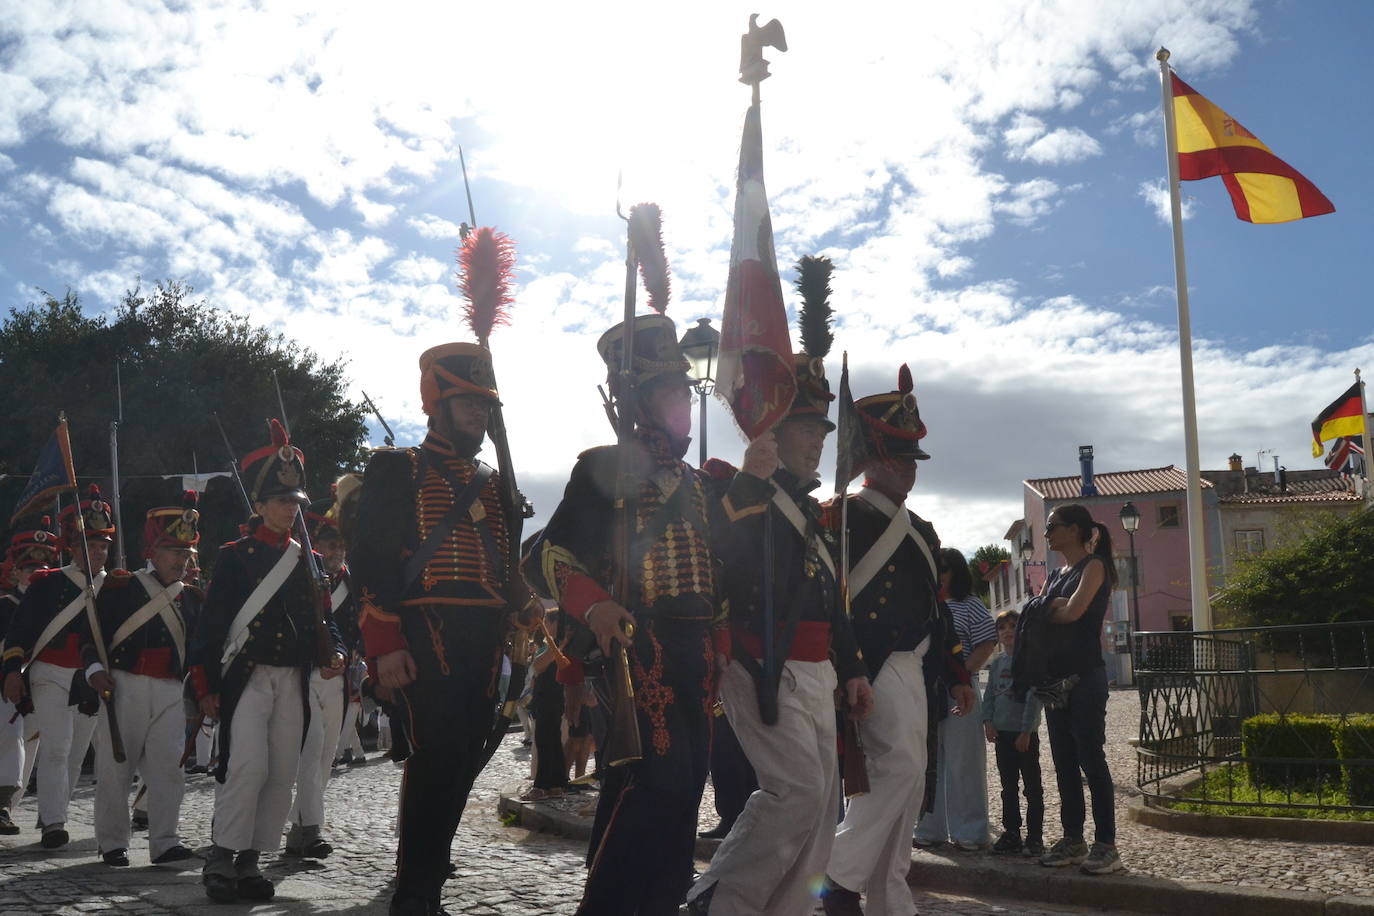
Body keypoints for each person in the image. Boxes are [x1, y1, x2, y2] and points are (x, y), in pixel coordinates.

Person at [524, 314, 723, 915]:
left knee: (684, 787)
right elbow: (547, 556)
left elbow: (721, 578)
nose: (684, 405)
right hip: (640, 647)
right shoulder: (603, 469)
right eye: (671, 393)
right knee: (655, 780)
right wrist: (597, 605)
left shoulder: (703, 484)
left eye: (686, 392)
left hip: (699, 657)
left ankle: (661, 900)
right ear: (638, 399)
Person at [687, 326, 875, 916]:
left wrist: (853, 667)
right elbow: (712, 556)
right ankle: (718, 899)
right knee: (795, 792)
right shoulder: (731, 486)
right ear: (773, 429)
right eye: (806, 428)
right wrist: (750, 478)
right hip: (760, 658)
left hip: (816, 669)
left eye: (821, 431)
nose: (818, 441)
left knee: (821, 808)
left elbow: (831, 599)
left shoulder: (812, 514)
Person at [350, 341, 539, 916]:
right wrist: (384, 644)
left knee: (463, 761)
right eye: (468, 403)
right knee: (434, 759)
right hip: (424, 630)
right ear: (437, 403)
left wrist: (523, 605)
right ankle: (414, 894)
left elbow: (503, 567)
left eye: (485, 406)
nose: (479, 415)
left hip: (484, 638)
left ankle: (428, 882)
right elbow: (370, 558)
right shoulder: (398, 466)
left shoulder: (494, 482)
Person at [821, 366, 975, 916]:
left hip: (919, 666)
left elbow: (938, 612)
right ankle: (838, 879)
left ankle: (889, 898)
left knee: (908, 787)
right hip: (871, 662)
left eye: (912, 459)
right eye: (898, 457)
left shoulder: (923, 531)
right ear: (872, 458)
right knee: (902, 768)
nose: (909, 469)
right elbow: (828, 599)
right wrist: (847, 667)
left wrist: (957, 674)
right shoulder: (840, 518)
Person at [188, 420, 346, 903]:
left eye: (295, 501)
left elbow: (324, 619)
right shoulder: (236, 556)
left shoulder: (307, 559)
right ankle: (221, 856)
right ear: (259, 505)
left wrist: (337, 650)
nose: (290, 509)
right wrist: (205, 685)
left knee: (281, 772)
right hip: (247, 676)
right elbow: (212, 626)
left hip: (293, 679)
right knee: (246, 767)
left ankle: (252, 860)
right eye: (281, 501)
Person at [82, 493, 203, 866]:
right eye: (173, 552)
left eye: (186, 553)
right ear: (153, 551)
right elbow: (92, 635)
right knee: (115, 768)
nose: (181, 560)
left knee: (169, 770)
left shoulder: (192, 599)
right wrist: (94, 670)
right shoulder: (121, 588)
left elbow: (199, 651)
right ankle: (112, 843)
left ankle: (165, 842)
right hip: (124, 686)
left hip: (171, 689)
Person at [1, 486, 113, 849]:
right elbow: (20, 631)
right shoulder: (48, 583)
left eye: (103, 546)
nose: (98, 552)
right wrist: (12, 670)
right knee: (56, 747)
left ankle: (55, 810)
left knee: (77, 753)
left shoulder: (115, 587)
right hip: (49, 672)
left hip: (89, 677)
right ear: (73, 548)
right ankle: (54, 823)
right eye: (90, 545)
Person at [1033, 503, 1122, 875]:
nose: (1047, 533)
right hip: (1056, 680)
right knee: (1064, 763)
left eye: (1052, 526)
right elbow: (1044, 612)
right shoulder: (1056, 574)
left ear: (1074, 530)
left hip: (1085, 678)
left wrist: (1047, 608)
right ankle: (1073, 839)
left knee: (1091, 760)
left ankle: (1106, 845)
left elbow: (1072, 612)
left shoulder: (1095, 566)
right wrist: (1051, 607)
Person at [285, 498, 358, 859]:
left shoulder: (353, 583)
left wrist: (348, 657)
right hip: (304, 674)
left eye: (341, 545)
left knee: (327, 754)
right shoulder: (299, 574)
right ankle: (310, 829)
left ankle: (301, 828)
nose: (337, 552)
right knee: (311, 752)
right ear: (317, 545)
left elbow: (357, 628)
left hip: (339, 677)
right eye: (331, 545)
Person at [914, 548, 997, 850]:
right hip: (926, 692)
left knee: (965, 762)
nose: (940, 574)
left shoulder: (970, 604)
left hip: (960, 691)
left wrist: (960, 678)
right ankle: (928, 829)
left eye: (945, 568)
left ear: (957, 572)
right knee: (926, 761)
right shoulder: (923, 605)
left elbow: (986, 643)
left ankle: (970, 832)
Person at [0, 521, 60, 834]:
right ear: (17, 572)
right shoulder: (5, 606)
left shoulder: (58, 607)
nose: (37, 573)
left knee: (33, 749)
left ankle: (12, 808)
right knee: (11, 740)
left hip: (45, 685)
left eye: (43, 568)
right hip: (7, 685)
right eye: (30, 568)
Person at [982, 608, 1044, 856]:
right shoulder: (997, 664)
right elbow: (990, 694)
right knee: (1008, 787)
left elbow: (1034, 698)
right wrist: (988, 720)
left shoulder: (1030, 661)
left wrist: (1026, 730)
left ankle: (1035, 836)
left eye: (1012, 626)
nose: (1007, 631)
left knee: (1032, 788)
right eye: (1002, 628)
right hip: (1002, 734)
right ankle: (1011, 832)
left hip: (1024, 735)